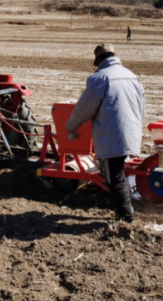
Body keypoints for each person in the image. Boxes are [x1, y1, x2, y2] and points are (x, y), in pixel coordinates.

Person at [65, 44, 146, 223]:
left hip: (111, 136)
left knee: (114, 177)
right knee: (118, 173)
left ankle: (125, 218)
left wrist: (70, 126)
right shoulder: (132, 76)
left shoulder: (99, 78)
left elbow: (84, 108)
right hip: (131, 132)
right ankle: (126, 211)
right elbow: (142, 108)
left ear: (99, 61)